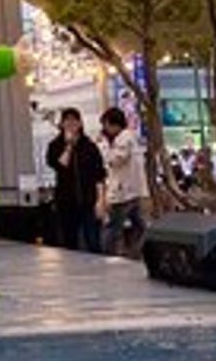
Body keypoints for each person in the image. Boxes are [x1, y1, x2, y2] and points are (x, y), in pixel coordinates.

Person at [46, 107, 107, 253]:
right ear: (62, 124)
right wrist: (69, 146)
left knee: (92, 240)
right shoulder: (55, 146)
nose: (71, 124)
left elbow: (99, 174)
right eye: (67, 121)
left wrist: (101, 200)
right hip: (66, 200)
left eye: (75, 121)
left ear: (80, 123)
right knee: (69, 240)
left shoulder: (90, 146)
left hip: (88, 199)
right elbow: (60, 165)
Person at [99, 106, 148, 258]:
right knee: (138, 224)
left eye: (105, 125)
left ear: (112, 123)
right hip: (132, 190)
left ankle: (107, 253)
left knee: (114, 225)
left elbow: (114, 160)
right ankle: (136, 251)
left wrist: (103, 146)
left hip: (123, 191)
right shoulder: (130, 137)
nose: (104, 129)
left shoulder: (123, 139)